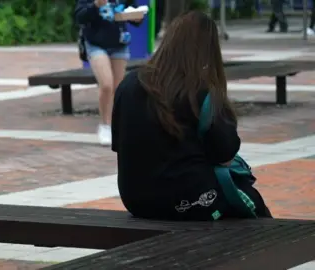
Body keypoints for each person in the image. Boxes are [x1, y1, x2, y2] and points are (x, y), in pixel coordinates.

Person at [112, 11, 272, 221]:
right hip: (192, 200)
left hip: (137, 201)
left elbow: (119, 146)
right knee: (253, 206)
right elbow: (225, 155)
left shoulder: (128, 84)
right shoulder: (201, 90)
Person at [75, 0, 142, 146]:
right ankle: (105, 125)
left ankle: (116, 126)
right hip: (95, 43)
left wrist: (137, 17)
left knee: (118, 88)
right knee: (106, 84)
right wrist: (96, 6)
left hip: (119, 43)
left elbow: (133, 12)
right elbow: (79, 16)